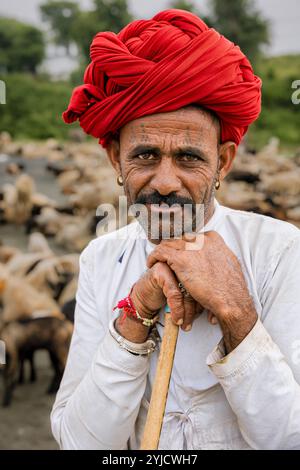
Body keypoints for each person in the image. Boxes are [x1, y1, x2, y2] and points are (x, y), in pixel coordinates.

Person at [51, 9, 300, 450]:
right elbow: (80, 442)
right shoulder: (101, 259)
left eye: (189, 158)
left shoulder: (280, 252)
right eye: (145, 156)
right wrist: (137, 311)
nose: (165, 182)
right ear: (116, 160)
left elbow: (288, 438)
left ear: (223, 162)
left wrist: (236, 311)